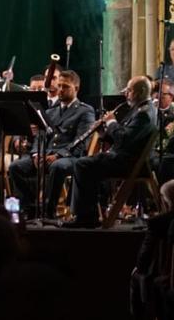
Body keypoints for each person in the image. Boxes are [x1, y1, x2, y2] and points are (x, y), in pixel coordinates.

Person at [61, 75, 157, 228]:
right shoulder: (139, 109)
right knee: (86, 163)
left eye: (129, 90)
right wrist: (102, 133)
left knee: (82, 165)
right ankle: (86, 214)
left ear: (141, 91)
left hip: (131, 163)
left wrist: (111, 121)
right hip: (125, 157)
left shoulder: (144, 113)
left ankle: (85, 217)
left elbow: (124, 139)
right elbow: (122, 139)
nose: (125, 93)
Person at [9, 70, 96, 217]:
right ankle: (31, 207)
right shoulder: (51, 112)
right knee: (16, 167)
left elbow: (81, 141)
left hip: (70, 157)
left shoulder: (85, 111)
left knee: (57, 166)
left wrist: (58, 155)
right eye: (60, 85)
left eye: (66, 87)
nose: (61, 90)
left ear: (76, 88)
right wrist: (37, 153)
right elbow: (40, 137)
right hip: (46, 154)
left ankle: (49, 210)